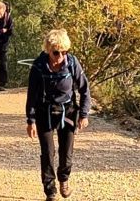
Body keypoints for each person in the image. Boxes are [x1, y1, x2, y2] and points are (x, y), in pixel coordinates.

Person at [26, 29, 91, 201]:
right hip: (44, 111)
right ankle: (50, 191)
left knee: (66, 152)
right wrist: (30, 120)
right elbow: (32, 95)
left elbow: (84, 89)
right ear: (48, 50)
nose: (60, 56)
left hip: (67, 111)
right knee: (47, 152)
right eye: (56, 52)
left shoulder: (72, 63)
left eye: (64, 52)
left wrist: (84, 114)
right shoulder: (39, 65)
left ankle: (64, 179)